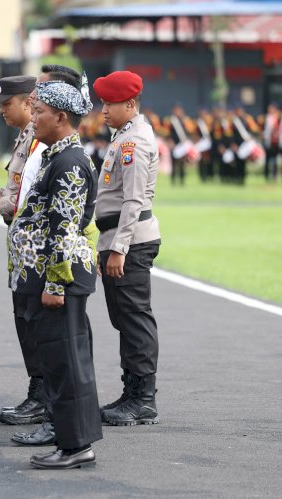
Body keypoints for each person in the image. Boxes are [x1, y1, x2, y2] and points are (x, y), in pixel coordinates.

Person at [7, 78, 101, 470]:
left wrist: (55, 285)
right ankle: (72, 442)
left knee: (65, 362)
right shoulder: (54, 155)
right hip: (49, 276)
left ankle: (75, 445)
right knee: (60, 361)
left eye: (40, 113)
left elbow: (64, 228)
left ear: (61, 117)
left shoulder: (69, 162)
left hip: (58, 279)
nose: (34, 120)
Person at [93, 70, 162, 426]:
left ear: (130, 105)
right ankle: (132, 392)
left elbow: (134, 200)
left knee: (134, 319)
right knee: (124, 319)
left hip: (130, 241)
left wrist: (119, 248)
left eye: (111, 103)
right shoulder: (123, 136)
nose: (103, 109)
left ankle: (143, 399)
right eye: (103, 102)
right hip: (117, 239)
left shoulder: (134, 141)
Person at [0, 74, 49, 426]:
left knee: (34, 320)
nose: (3, 111)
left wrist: (0, 200)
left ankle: (42, 395)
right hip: (20, 244)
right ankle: (37, 391)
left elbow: (31, 196)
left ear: (27, 102)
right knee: (24, 318)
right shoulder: (26, 137)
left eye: (8, 104)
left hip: (35, 247)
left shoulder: (40, 140)